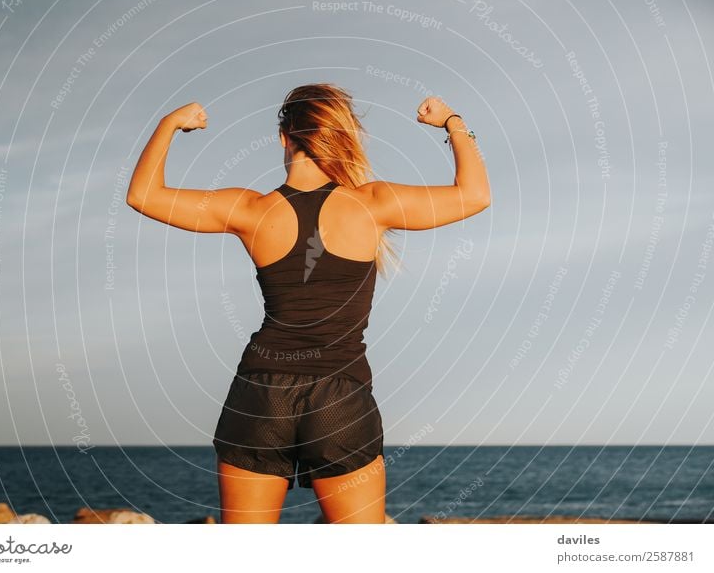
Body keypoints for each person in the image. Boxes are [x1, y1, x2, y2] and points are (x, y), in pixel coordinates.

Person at [126, 83, 490, 524]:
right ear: (341, 136)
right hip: (339, 396)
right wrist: (452, 123)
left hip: (260, 394)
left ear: (285, 137)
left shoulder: (249, 209)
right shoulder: (373, 203)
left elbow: (142, 195)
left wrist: (169, 124)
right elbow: (475, 195)